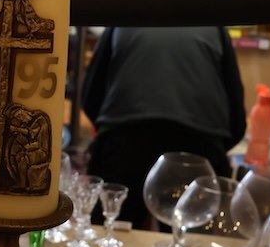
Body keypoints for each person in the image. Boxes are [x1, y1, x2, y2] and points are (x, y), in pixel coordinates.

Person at [81, 26, 246, 230]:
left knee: (112, 232)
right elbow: (236, 118)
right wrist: (216, 149)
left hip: (124, 141)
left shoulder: (122, 17)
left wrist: (109, 129)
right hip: (198, 148)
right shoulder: (214, 26)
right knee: (189, 238)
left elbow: (90, 96)